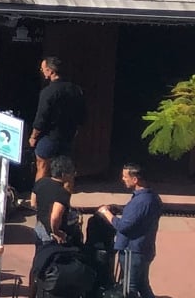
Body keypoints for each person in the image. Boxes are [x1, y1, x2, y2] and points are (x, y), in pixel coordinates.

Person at [96, 162, 160, 298]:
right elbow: (138, 218)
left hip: (133, 251)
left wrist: (106, 212)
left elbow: (123, 226)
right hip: (144, 248)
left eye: (125, 177)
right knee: (142, 285)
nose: (123, 179)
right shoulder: (152, 197)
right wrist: (122, 210)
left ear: (135, 179)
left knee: (129, 288)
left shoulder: (140, 202)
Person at [29, 57, 86, 183]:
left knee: (42, 166)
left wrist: (33, 136)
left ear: (50, 71)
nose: (42, 71)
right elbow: (82, 114)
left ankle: (37, 200)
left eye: (43, 69)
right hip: (68, 135)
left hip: (49, 136)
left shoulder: (48, 92)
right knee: (66, 170)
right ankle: (65, 200)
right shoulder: (76, 89)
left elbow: (41, 117)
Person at [31, 155, 79, 282]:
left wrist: (43, 211)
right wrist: (57, 232)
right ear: (64, 174)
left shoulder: (41, 182)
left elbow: (33, 202)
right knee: (50, 263)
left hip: (39, 226)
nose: (73, 175)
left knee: (37, 260)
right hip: (51, 234)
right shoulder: (62, 193)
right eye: (71, 172)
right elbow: (55, 217)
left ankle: (32, 292)